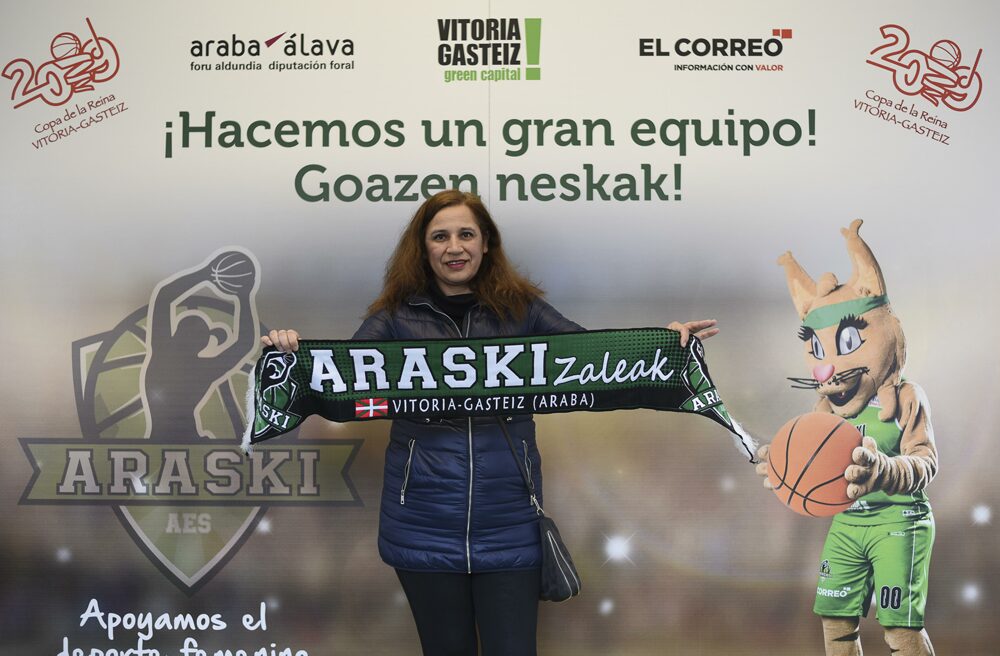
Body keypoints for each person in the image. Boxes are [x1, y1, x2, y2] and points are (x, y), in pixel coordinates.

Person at [262, 190, 718, 655]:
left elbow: (594, 360)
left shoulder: (525, 311)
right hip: (421, 524)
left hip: (511, 522)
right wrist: (291, 353)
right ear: (422, 249)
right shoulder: (394, 318)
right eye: (440, 236)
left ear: (486, 244)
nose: (454, 247)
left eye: (466, 234)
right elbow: (344, 378)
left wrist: (664, 344)